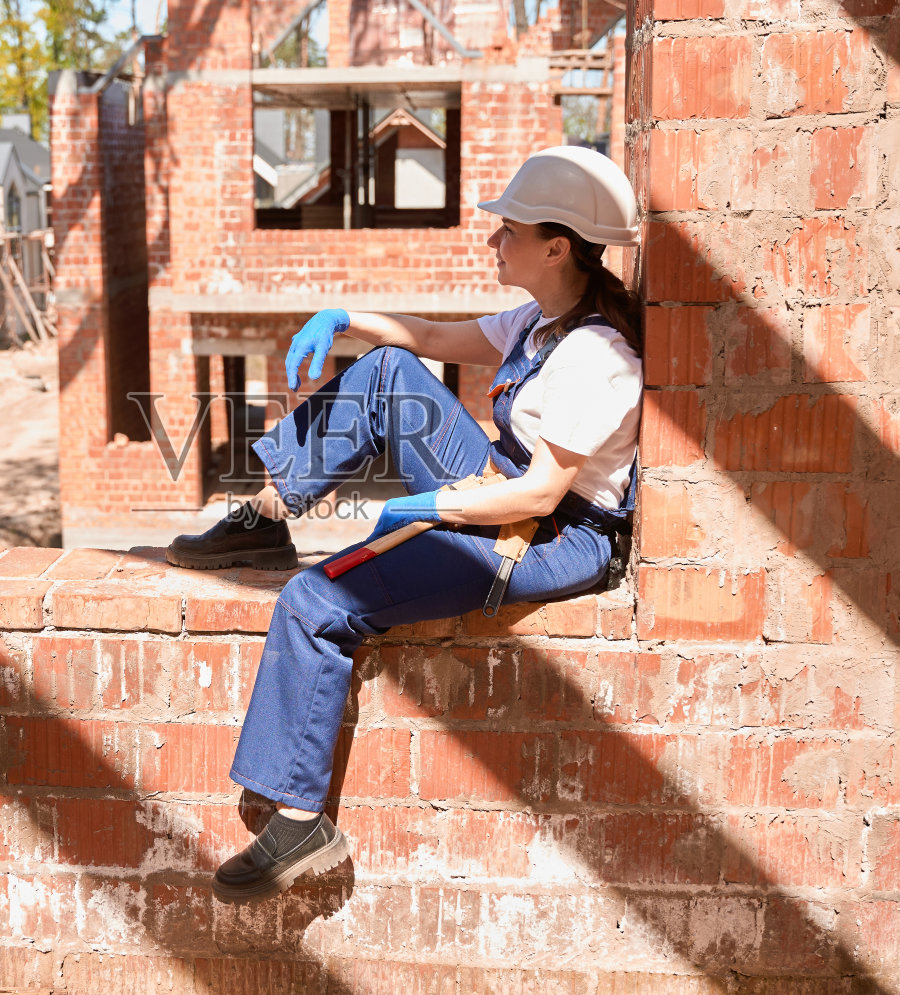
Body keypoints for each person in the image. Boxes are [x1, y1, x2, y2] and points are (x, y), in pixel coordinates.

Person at [166, 146, 645, 901]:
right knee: (390, 368)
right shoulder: (541, 320)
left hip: (549, 534)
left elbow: (540, 495)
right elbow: (432, 339)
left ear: (557, 248)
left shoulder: (596, 354)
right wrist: (345, 317)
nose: (493, 239)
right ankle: (266, 514)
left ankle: (301, 822)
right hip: (504, 487)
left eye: (509, 230)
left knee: (316, 599)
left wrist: (431, 507)